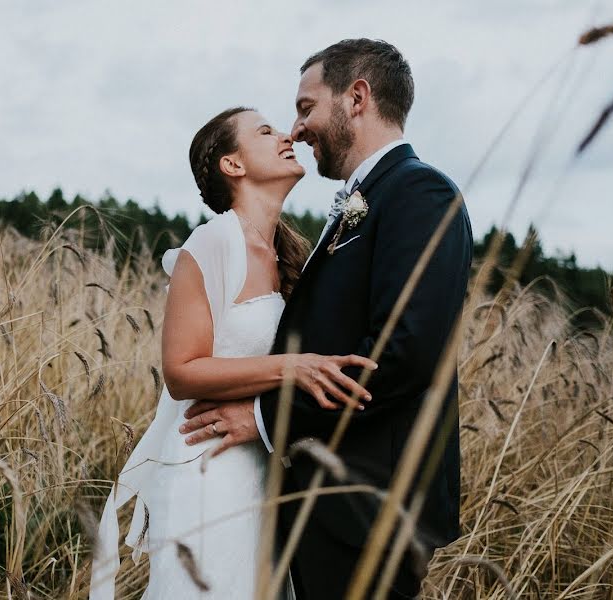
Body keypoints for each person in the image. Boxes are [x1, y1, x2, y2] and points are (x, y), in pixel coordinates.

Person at [180, 39, 473, 599]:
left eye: (306, 107)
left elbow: (404, 353)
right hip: (323, 502)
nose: (298, 128)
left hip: (368, 505)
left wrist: (267, 419)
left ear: (356, 98)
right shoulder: (359, 203)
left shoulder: (420, 193)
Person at [90, 106, 377, 599]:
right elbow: (181, 371)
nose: (287, 135)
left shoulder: (293, 254)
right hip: (210, 468)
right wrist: (292, 368)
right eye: (265, 132)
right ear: (233, 165)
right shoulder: (214, 241)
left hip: (267, 470)